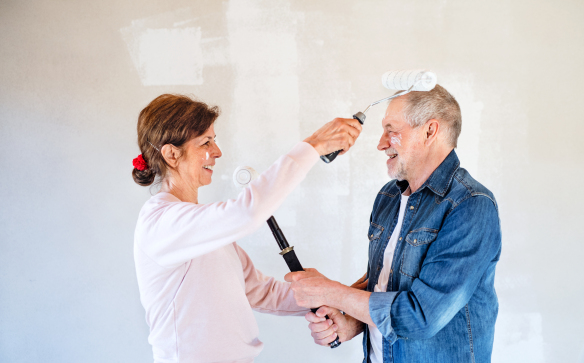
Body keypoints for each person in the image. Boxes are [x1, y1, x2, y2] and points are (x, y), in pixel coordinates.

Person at [131, 94, 361, 363]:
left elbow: (262, 292)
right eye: (206, 142)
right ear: (172, 154)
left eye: (214, 140)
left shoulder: (200, 227)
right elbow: (247, 212)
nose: (216, 152)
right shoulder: (161, 222)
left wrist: (335, 296)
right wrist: (313, 146)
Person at [285, 85, 502, 363]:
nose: (381, 143)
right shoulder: (389, 197)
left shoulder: (470, 204)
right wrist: (351, 320)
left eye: (391, 129)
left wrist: (331, 292)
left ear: (429, 131)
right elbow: (384, 284)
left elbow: (421, 316)